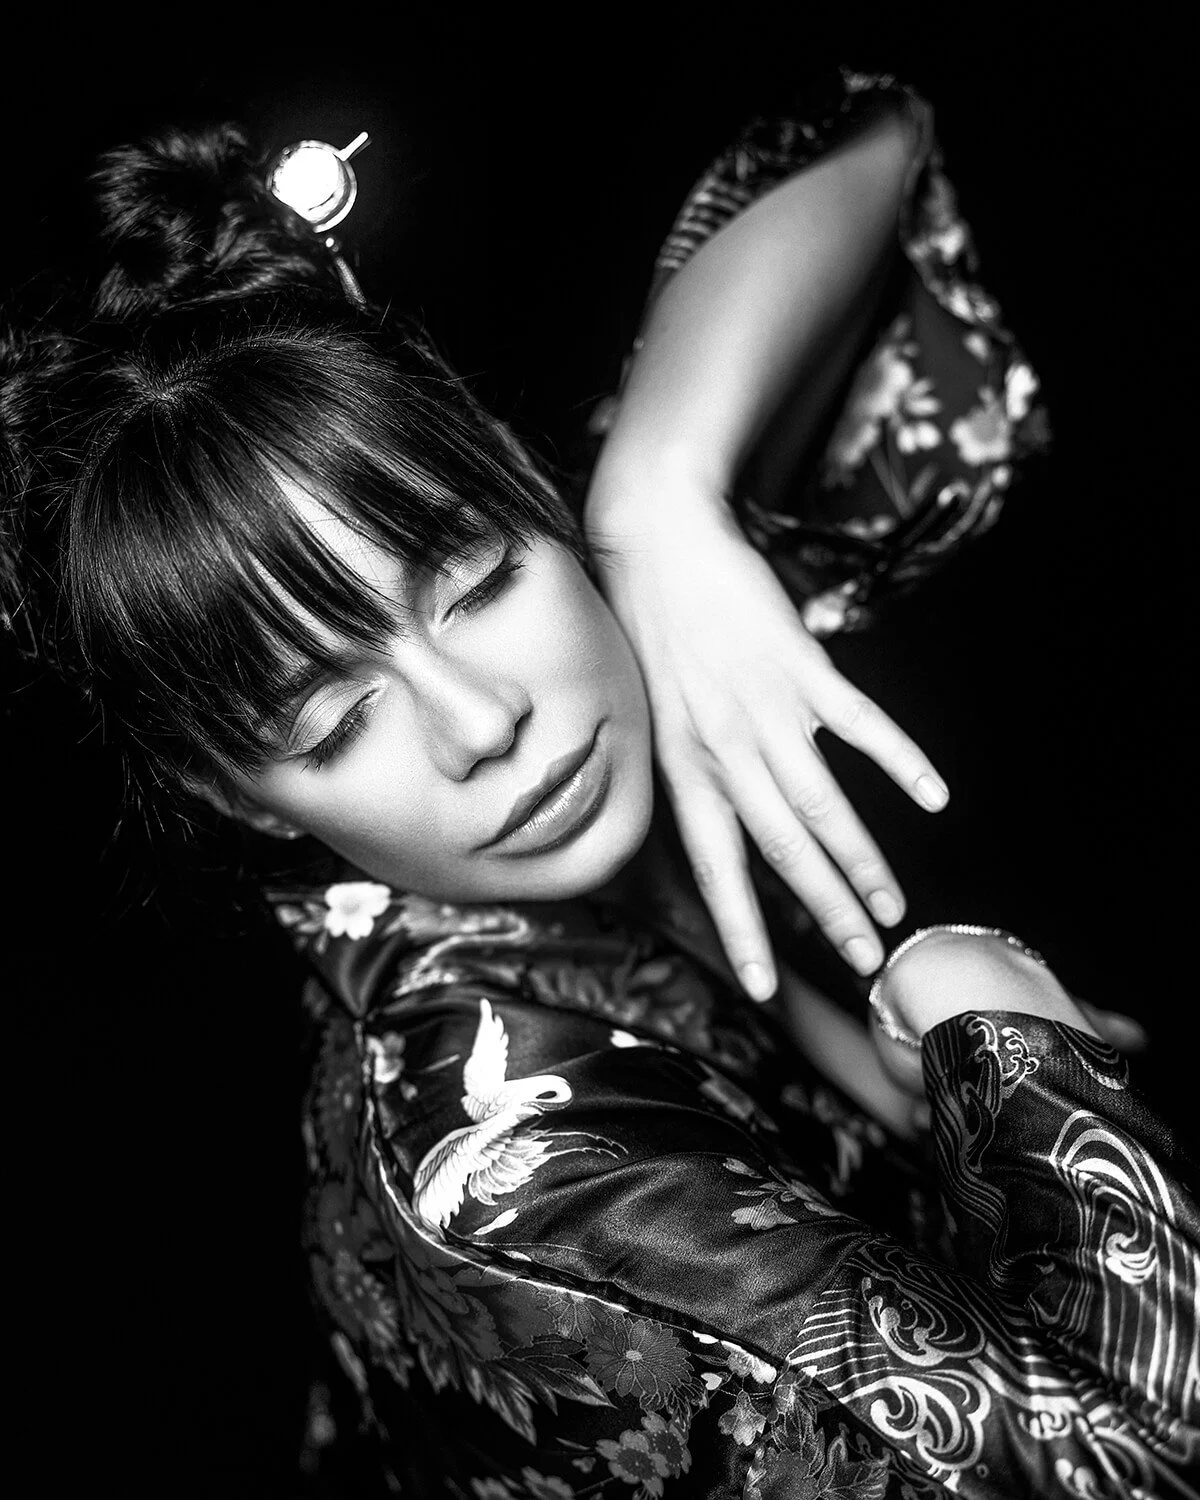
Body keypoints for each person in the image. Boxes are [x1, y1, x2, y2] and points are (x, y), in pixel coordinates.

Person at [2, 66, 1195, 1498]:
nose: (486, 719)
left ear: (530, 492)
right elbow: (1140, 1468)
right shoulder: (505, 1178)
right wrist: (995, 1034)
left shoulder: (622, 612)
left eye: (480, 580)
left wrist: (663, 487)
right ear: (244, 796)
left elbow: (875, 138)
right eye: (330, 727)